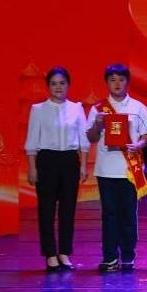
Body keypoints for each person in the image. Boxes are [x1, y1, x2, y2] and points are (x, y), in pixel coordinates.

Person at [85, 64, 147, 272]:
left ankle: (128, 256)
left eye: (121, 79)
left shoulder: (138, 107)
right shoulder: (98, 108)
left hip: (129, 169)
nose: (117, 84)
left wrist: (139, 145)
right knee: (109, 215)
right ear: (106, 82)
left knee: (128, 214)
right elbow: (91, 137)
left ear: (127, 82)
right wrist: (98, 124)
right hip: (106, 169)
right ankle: (109, 257)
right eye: (112, 79)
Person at [24, 66, 88, 272]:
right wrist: (32, 168)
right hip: (47, 160)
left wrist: (83, 165)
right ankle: (50, 253)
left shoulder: (76, 108)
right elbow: (32, 141)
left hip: (70, 160)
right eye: (53, 84)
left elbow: (83, 140)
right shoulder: (38, 110)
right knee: (47, 209)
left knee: (68, 210)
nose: (58, 87)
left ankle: (64, 253)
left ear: (68, 85)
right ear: (48, 86)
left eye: (62, 83)